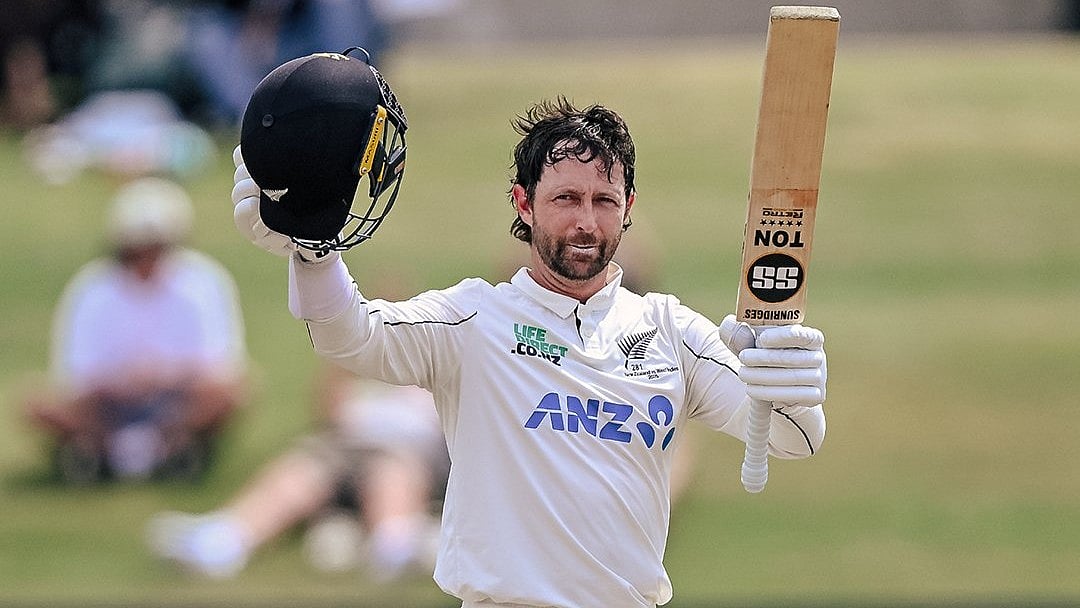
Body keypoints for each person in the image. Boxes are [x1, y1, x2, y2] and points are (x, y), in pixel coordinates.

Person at [230, 52, 827, 608]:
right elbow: (348, 337)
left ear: (629, 205)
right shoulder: (473, 320)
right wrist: (313, 252)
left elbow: (790, 438)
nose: (585, 221)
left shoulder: (671, 331)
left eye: (603, 200)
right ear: (523, 203)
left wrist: (794, 383)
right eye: (565, 198)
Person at [22, 177, 249, 483]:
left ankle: (137, 450)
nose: (146, 258)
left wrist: (160, 375)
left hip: (176, 401)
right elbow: (75, 375)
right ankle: (131, 450)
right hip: (109, 406)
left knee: (230, 392)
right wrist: (122, 381)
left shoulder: (203, 282)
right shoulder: (92, 288)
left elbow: (220, 364)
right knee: (35, 402)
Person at [146, 361, 449, 581]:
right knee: (300, 472)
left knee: (390, 473)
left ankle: (393, 547)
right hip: (343, 446)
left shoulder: (437, 376)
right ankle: (222, 543)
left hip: (405, 450)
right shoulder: (357, 382)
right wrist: (348, 354)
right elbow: (327, 413)